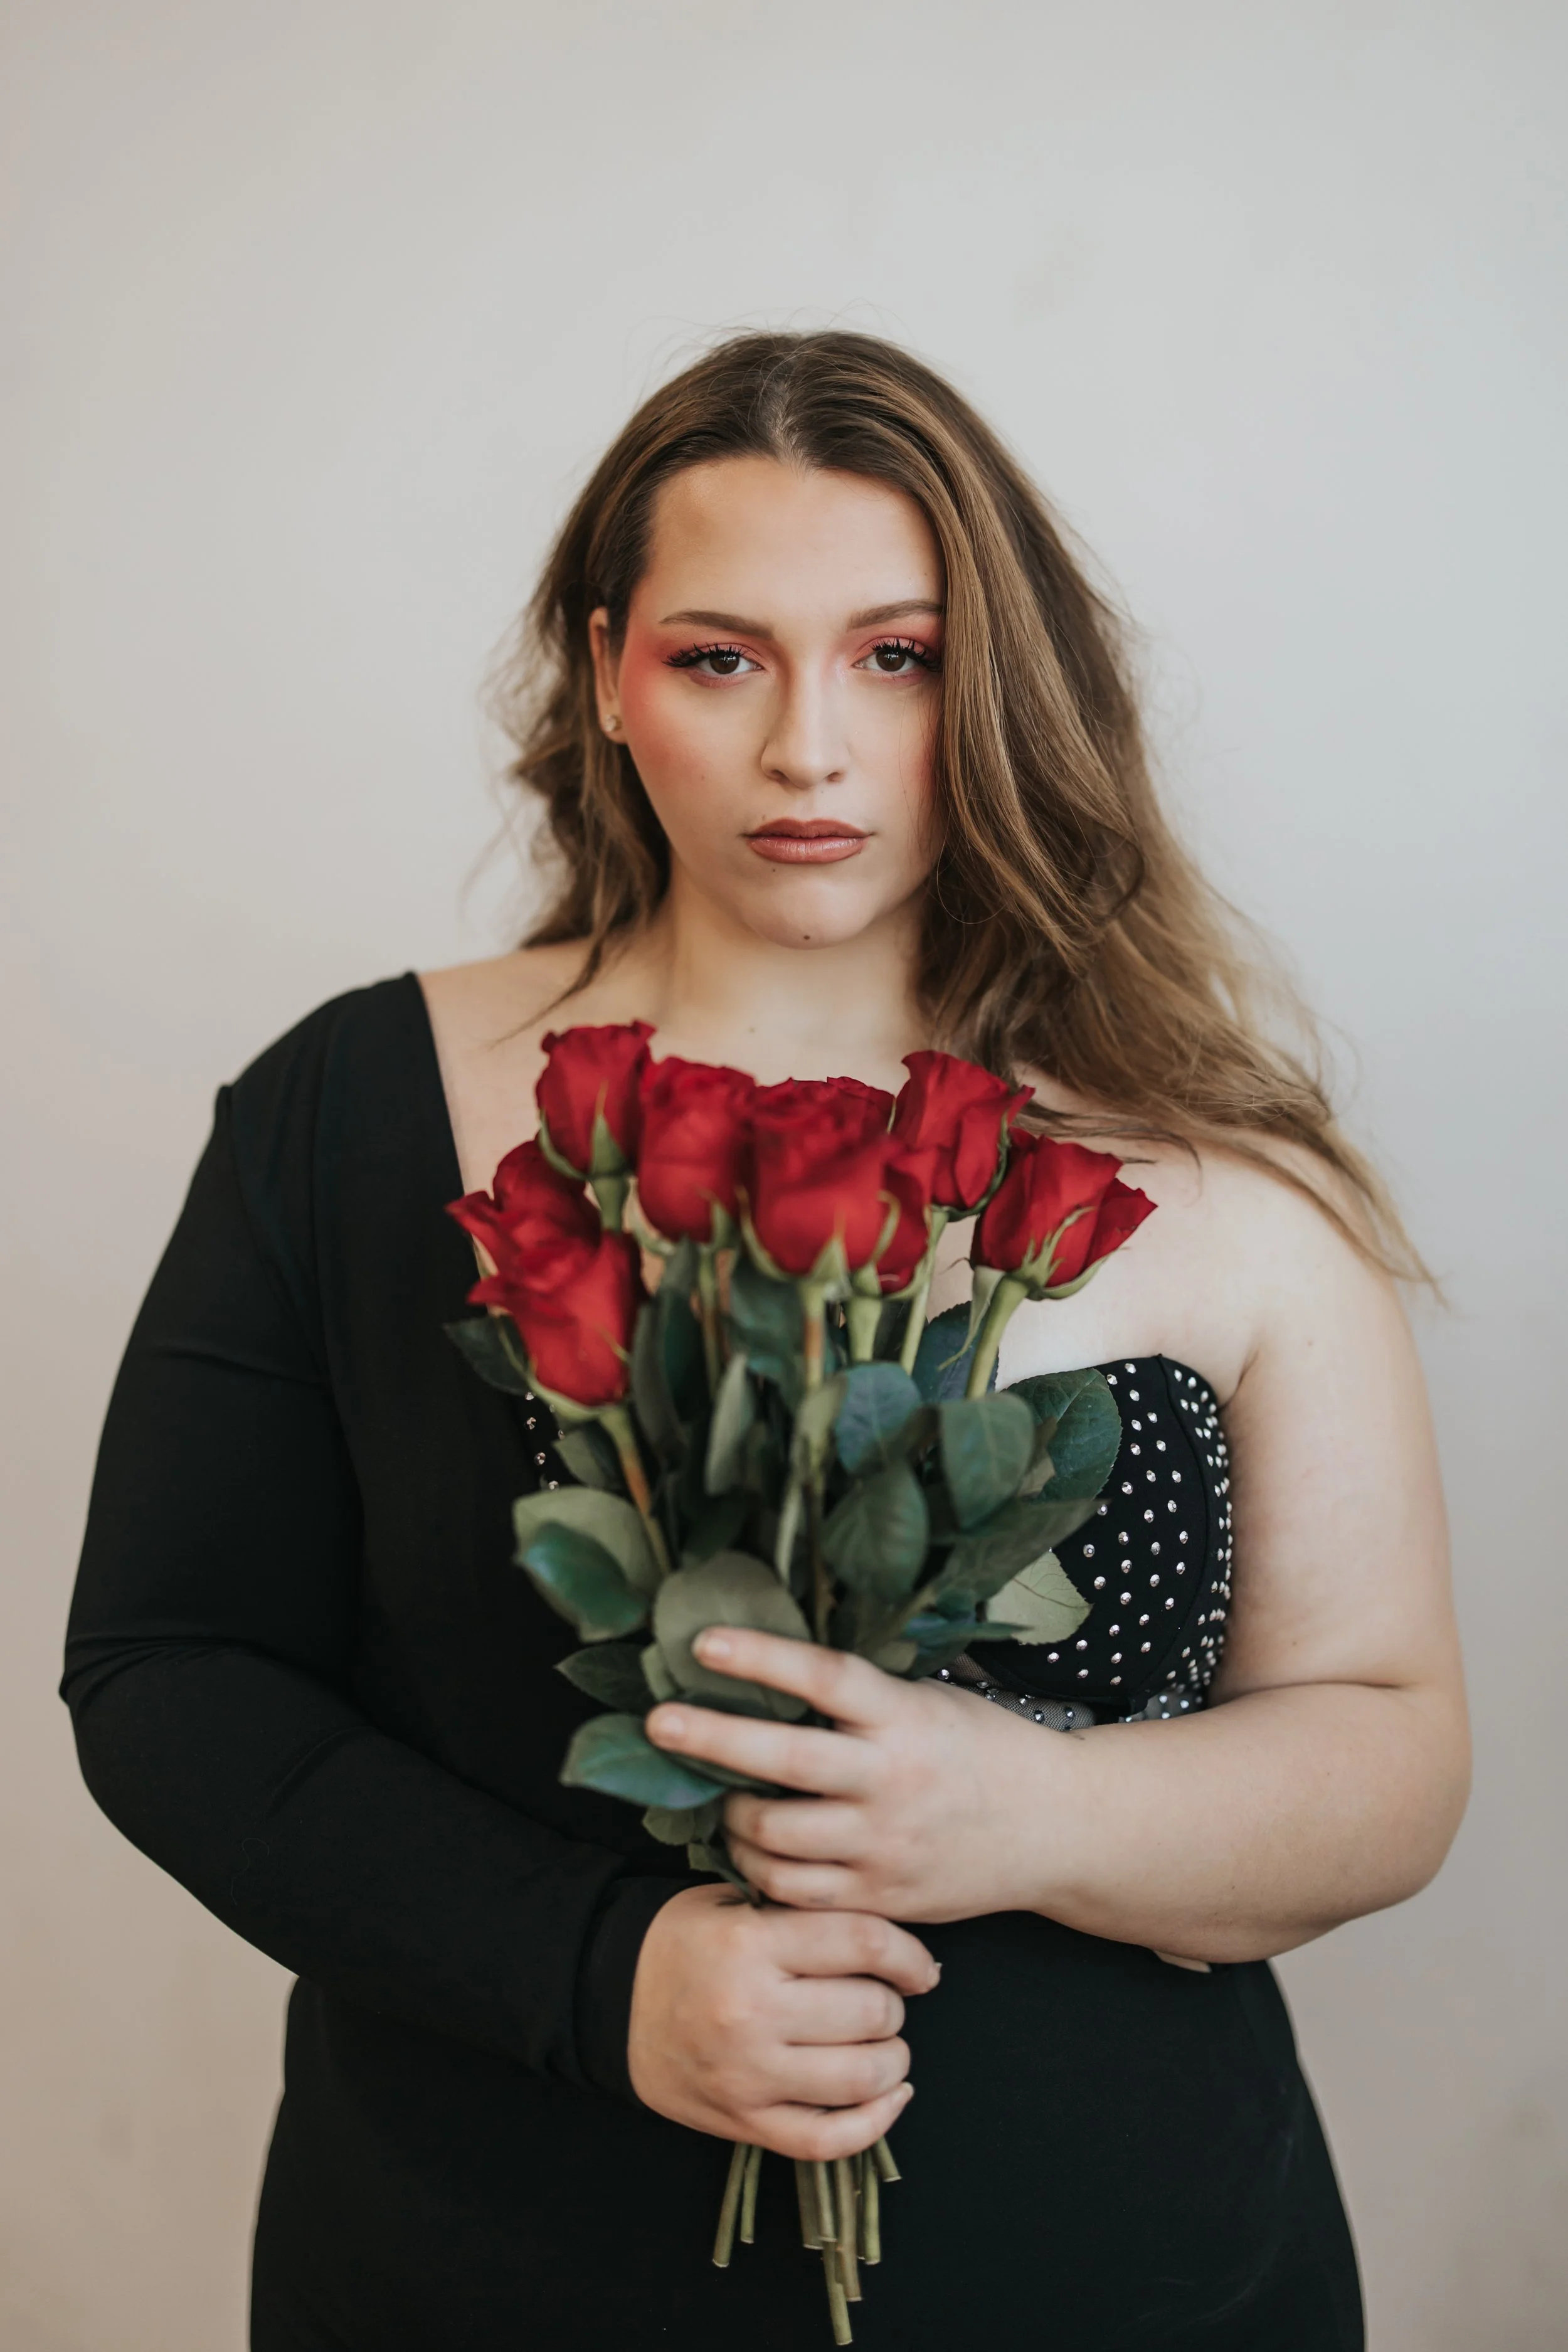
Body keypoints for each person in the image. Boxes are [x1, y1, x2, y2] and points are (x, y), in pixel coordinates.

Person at [64, 331, 1468, 2351]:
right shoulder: (349, 1108)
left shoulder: (1221, 1167)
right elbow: (169, 1672)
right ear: (607, 671)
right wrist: (602, 1977)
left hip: (1141, 2282)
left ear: (996, 688)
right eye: (720, 657)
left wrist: (1026, 1811)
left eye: (896, 657)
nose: (809, 746)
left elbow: (1392, 1747)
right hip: (469, 2278)